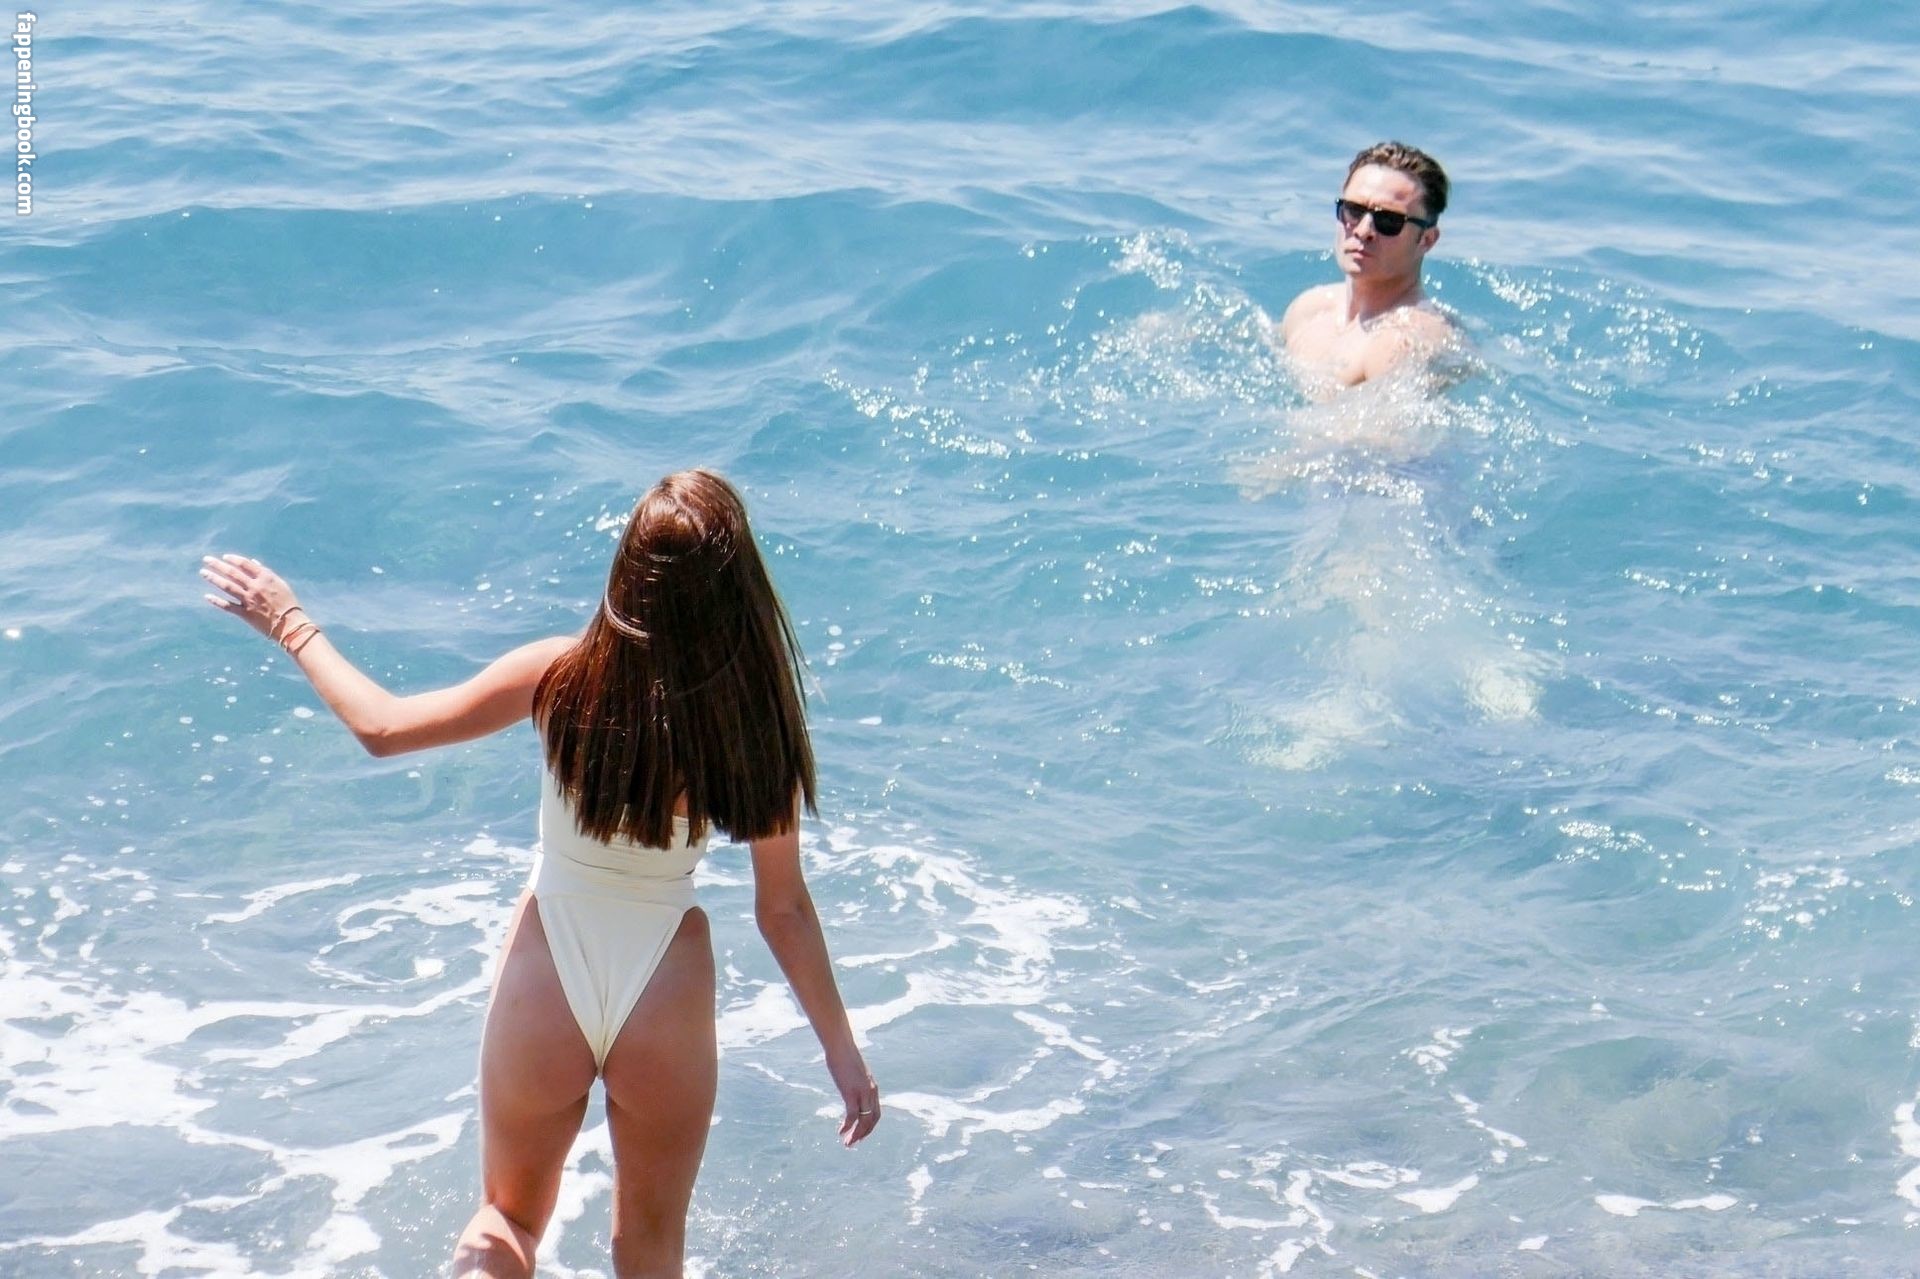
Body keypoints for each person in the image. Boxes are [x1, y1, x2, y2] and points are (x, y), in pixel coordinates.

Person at [200, 469, 879, 1279]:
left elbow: (383, 727)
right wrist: (841, 1050)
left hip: (548, 965)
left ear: (629, 576)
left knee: (507, 1224)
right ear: (739, 593)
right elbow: (783, 909)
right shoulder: (752, 727)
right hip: (663, 982)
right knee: (650, 1249)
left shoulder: (562, 676)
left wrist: (290, 622)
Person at [1277, 141, 1455, 395]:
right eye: (1354, 211)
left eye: (1389, 221)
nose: (1363, 230)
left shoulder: (1401, 343)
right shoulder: (1308, 308)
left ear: (1426, 240)